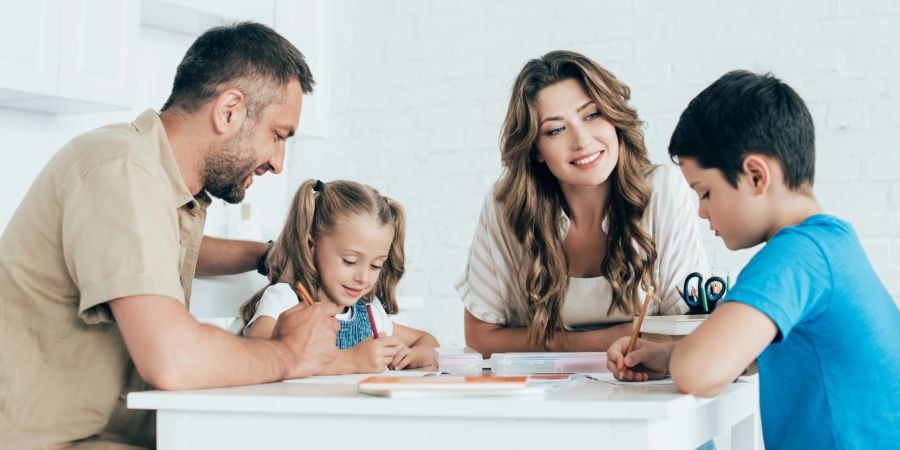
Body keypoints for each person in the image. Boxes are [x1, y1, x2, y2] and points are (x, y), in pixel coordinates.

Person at [0, 23, 341, 449]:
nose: (277, 162)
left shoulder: (151, 177)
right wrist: (290, 353)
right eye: (277, 135)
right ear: (229, 110)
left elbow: (150, 254)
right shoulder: (120, 168)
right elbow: (173, 360)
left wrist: (266, 256)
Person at [606, 70, 900, 450]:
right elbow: (760, 355)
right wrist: (667, 355)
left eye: (705, 192)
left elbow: (700, 373)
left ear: (756, 176)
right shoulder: (833, 243)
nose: (701, 212)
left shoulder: (795, 255)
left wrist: (684, 360)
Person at [456, 50, 710, 356]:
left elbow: (690, 328)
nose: (582, 140)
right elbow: (481, 337)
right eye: (556, 130)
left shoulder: (662, 191)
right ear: (535, 148)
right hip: (543, 396)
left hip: (645, 390)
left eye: (592, 115)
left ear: (614, 117)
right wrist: (599, 342)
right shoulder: (506, 206)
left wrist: (543, 342)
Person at [240, 179, 438, 373]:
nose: (363, 277)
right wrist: (351, 360)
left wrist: (411, 357)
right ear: (311, 246)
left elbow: (428, 341)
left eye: (376, 265)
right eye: (350, 261)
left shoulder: (370, 314)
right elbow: (256, 352)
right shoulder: (287, 301)